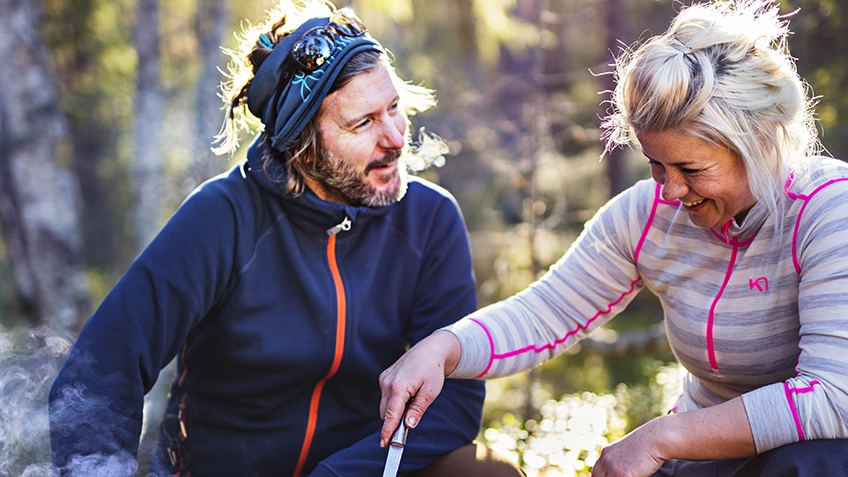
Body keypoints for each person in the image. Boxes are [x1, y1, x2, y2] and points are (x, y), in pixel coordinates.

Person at [48, 1, 524, 476]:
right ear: (303, 147)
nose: (396, 138)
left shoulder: (428, 218)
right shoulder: (222, 217)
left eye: (394, 107)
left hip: (357, 473)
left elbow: (453, 403)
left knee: (487, 474)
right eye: (362, 123)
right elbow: (100, 373)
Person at [378, 1, 848, 476]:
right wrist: (443, 347)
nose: (670, 190)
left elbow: (833, 397)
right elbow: (546, 313)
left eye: (691, 169)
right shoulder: (649, 213)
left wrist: (660, 437)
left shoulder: (829, 209)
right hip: (700, 462)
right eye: (656, 164)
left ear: (762, 142)